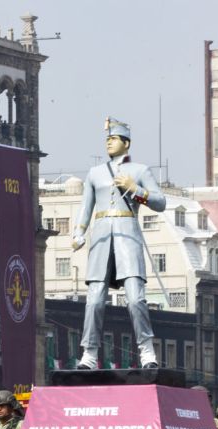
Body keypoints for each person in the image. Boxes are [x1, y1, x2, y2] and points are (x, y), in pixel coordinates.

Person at [71, 118, 166, 369]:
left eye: (113, 139)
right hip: (101, 237)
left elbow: (160, 202)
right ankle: (89, 353)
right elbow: (86, 207)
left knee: (135, 299)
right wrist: (79, 232)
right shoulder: (95, 173)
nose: (109, 143)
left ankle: (147, 352)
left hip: (128, 235)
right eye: (107, 139)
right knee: (94, 300)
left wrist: (136, 189)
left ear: (126, 143)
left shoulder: (140, 170)